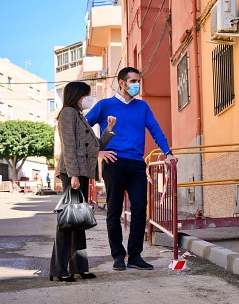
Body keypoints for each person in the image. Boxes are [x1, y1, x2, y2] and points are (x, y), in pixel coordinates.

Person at [86, 67, 177, 271]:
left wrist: (168, 152)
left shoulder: (142, 106)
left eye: (138, 81)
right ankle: (118, 256)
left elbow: (155, 129)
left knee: (139, 209)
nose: (137, 85)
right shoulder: (104, 105)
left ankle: (135, 256)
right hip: (113, 162)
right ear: (121, 82)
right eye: (133, 81)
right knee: (114, 211)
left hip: (137, 163)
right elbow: (84, 128)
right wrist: (98, 152)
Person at [50, 81, 117, 282]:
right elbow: (69, 147)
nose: (89, 98)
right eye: (87, 94)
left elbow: (95, 147)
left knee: (78, 220)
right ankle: (60, 269)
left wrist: (110, 128)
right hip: (73, 174)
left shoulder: (79, 116)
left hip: (82, 173)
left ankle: (79, 267)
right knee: (67, 221)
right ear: (78, 95)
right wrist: (73, 175)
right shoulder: (68, 113)